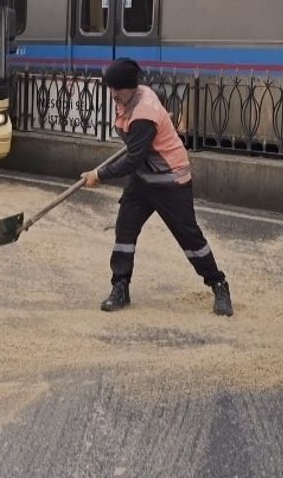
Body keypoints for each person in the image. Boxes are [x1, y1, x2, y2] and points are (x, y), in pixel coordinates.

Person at [81, 58, 233, 316]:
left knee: (190, 239)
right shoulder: (135, 97)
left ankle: (218, 284)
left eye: (117, 89)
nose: (113, 94)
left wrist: (99, 174)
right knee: (125, 231)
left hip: (170, 181)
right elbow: (147, 132)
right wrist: (164, 119)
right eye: (111, 88)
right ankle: (120, 287)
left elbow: (132, 160)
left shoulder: (144, 113)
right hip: (143, 182)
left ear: (131, 87)